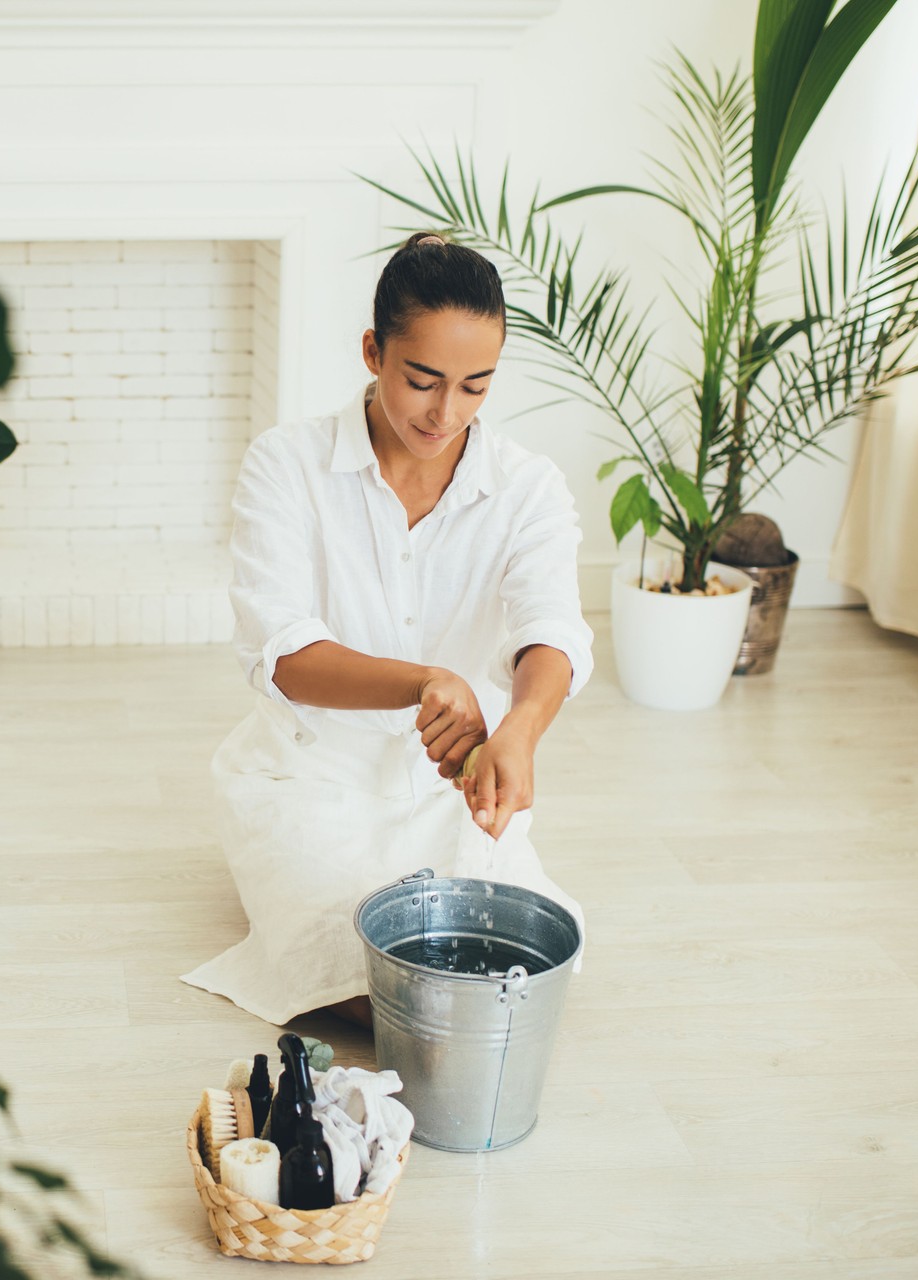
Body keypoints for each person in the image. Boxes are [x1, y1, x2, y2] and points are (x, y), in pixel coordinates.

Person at [180, 231, 593, 1028]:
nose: (447, 413)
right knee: (363, 981)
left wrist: (522, 732)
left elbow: (553, 628)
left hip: (452, 791)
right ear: (374, 351)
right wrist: (424, 681)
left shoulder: (527, 487)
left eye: (476, 387)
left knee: (509, 973)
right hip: (310, 780)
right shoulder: (285, 464)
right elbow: (285, 653)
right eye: (423, 380)